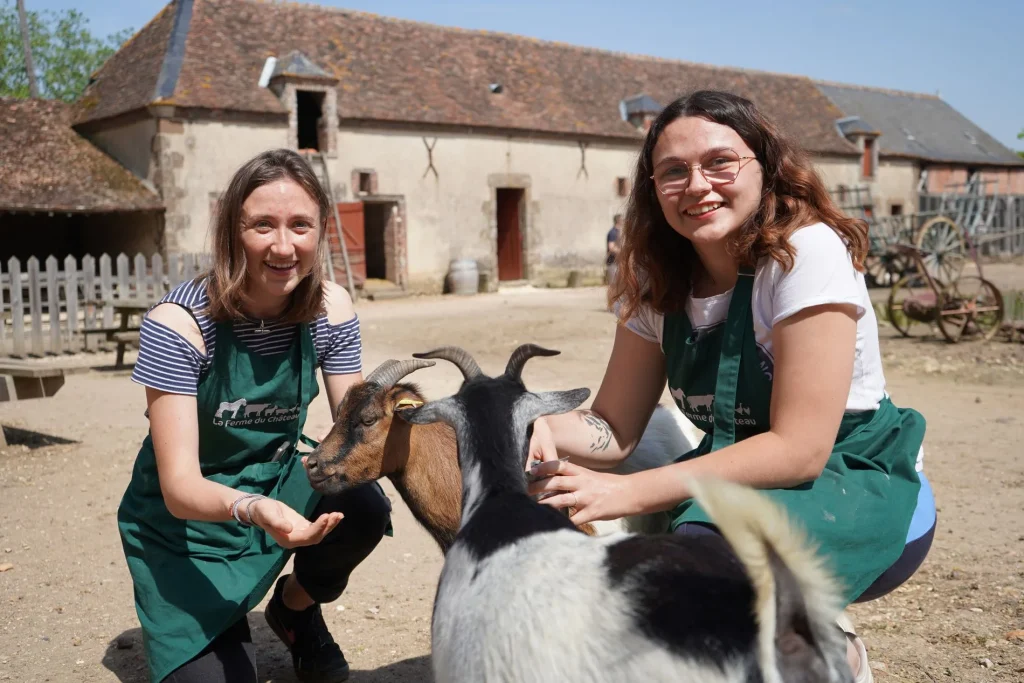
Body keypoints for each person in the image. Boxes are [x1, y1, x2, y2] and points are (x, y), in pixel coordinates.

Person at [526, 90, 935, 683]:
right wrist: (540, 425)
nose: (697, 185)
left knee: (694, 571)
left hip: (855, 478)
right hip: (737, 480)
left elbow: (801, 449)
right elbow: (612, 429)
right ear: (651, 188)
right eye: (673, 171)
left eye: (720, 162)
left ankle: (831, 656)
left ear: (765, 167)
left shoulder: (805, 253)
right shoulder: (655, 278)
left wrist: (631, 493)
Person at [117, 149, 392, 683]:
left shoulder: (330, 310)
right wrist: (256, 510)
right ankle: (211, 625)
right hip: (186, 528)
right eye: (262, 225)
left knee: (362, 503)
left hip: (278, 484)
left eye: (300, 225)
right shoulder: (179, 324)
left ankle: (294, 610)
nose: (283, 246)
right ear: (231, 231)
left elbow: (358, 435)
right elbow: (178, 487)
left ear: (321, 231)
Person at [605, 213, 624, 286]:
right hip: (613, 262)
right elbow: (611, 247)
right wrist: (623, 252)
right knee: (614, 285)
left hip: (619, 262)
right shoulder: (612, 232)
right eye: (623, 220)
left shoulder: (620, 232)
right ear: (619, 221)